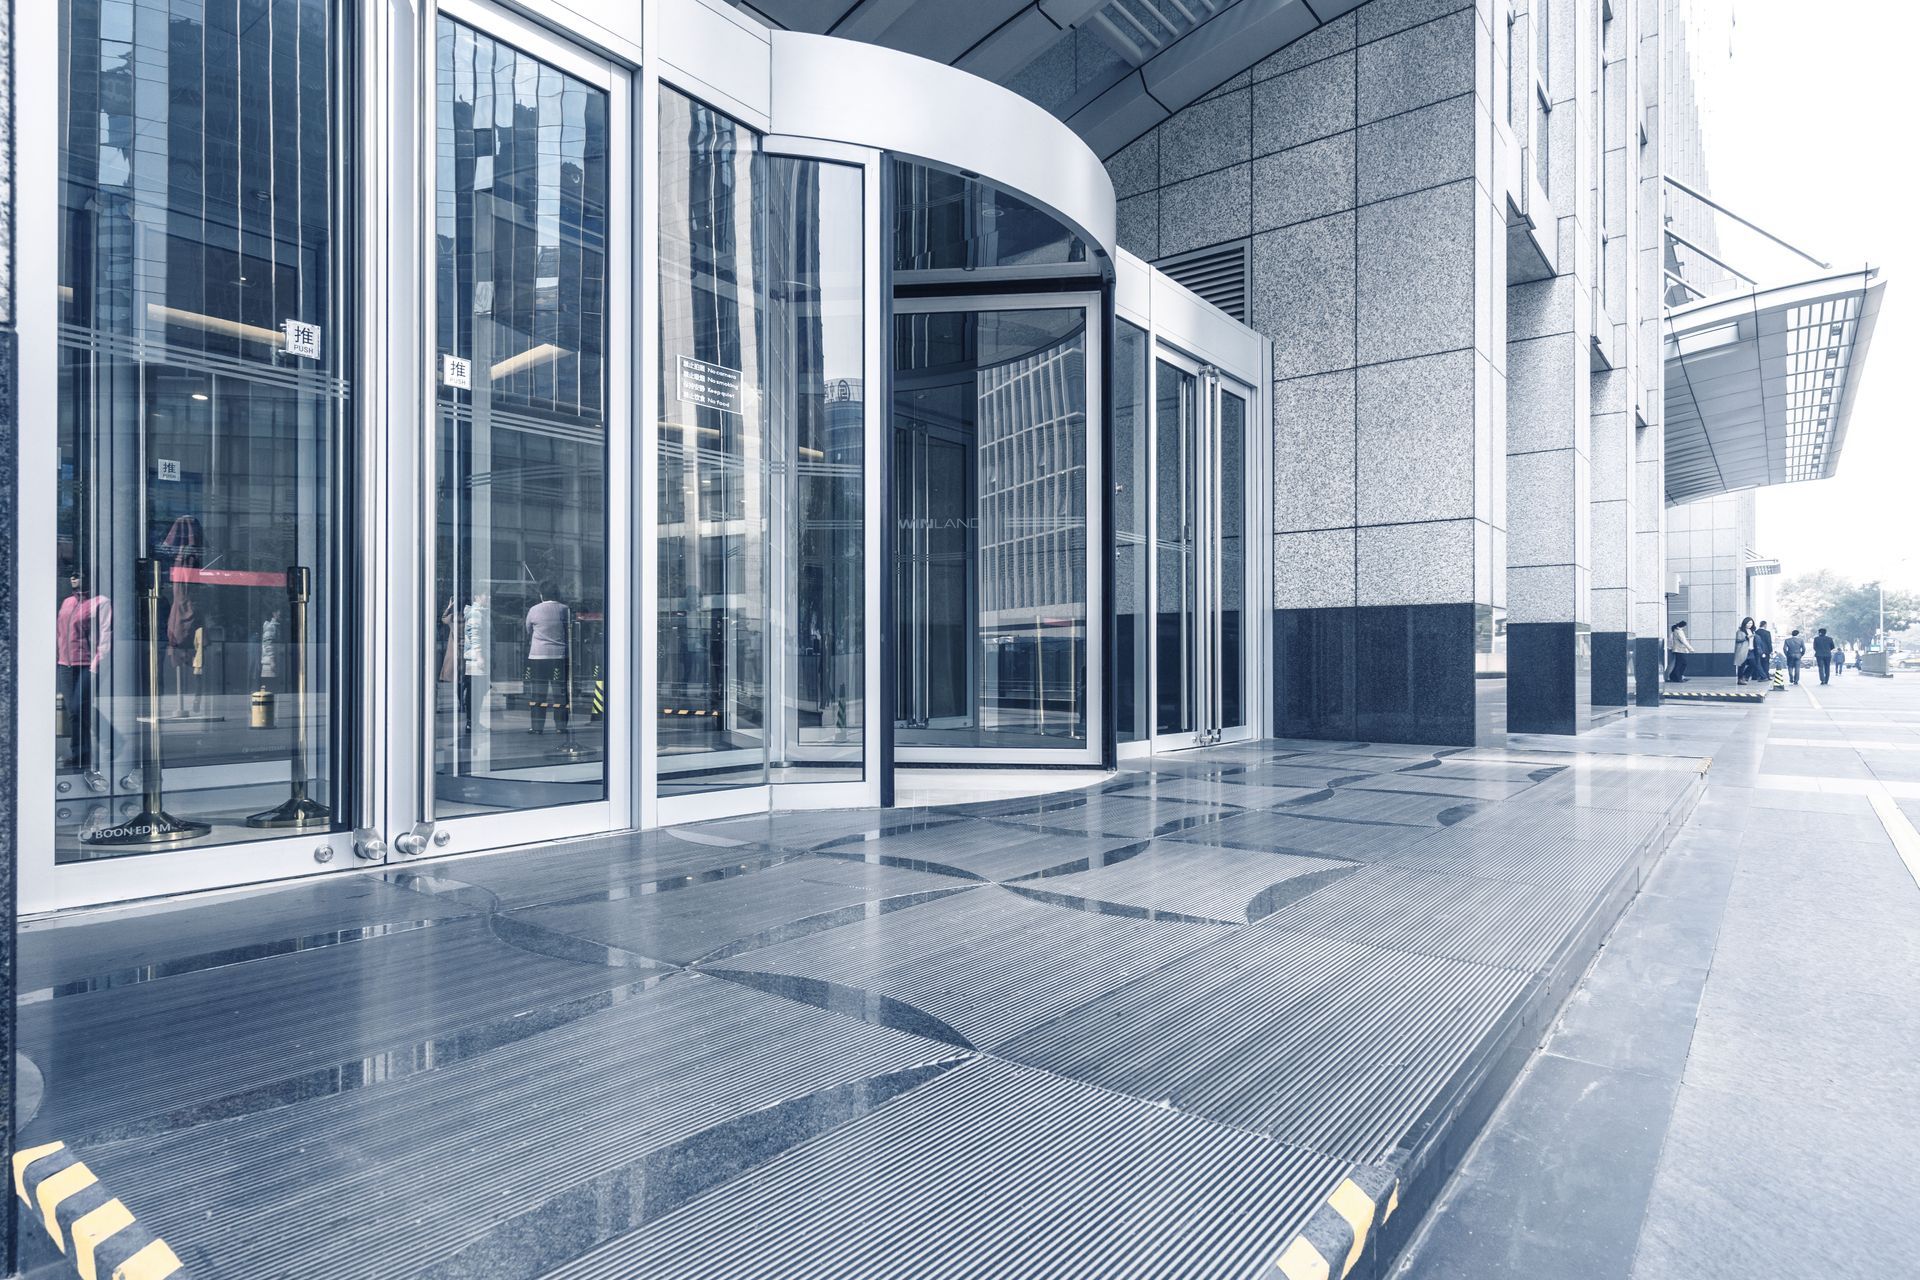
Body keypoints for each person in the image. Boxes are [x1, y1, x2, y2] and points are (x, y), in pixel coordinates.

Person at [56, 565, 115, 784]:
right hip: (64, 664)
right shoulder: (67, 602)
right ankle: (95, 747)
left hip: (86, 665)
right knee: (76, 711)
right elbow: (58, 632)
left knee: (77, 708)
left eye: (79, 574)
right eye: (71, 573)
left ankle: (82, 753)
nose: (73, 577)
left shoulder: (101, 602)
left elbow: (105, 635)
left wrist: (96, 664)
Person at [524, 582, 571, 735]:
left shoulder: (534, 610)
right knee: (560, 692)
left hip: (538, 657)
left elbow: (528, 630)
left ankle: (537, 727)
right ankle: (561, 726)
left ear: (541, 595)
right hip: (559, 656)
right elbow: (568, 630)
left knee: (538, 693)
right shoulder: (564, 609)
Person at [1733, 617, 1754, 685]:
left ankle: (1744, 677)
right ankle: (1740, 680)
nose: (1750, 624)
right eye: (1748, 623)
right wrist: (1746, 637)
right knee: (1742, 665)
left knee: (1753, 664)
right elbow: (1738, 640)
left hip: (1751, 650)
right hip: (1743, 650)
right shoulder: (1740, 631)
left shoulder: (1752, 631)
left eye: (1751, 623)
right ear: (1745, 623)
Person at [1754, 620, 1774, 685]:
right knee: (1766, 663)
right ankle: (1766, 676)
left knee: (1759, 663)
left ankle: (1760, 676)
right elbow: (1769, 642)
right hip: (1766, 650)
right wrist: (1771, 650)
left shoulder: (1755, 632)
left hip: (1757, 650)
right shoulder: (1767, 632)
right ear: (1765, 625)